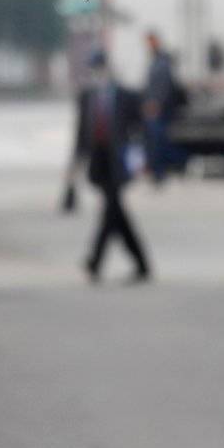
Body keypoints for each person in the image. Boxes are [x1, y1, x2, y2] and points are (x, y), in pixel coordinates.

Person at [71, 50, 151, 282]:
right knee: (116, 213)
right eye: (94, 69)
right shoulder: (87, 97)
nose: (98, 74)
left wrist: (140, 160)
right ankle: (141, 264)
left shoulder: (126, 96)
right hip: (99, 161)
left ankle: (95, 261)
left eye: (100, 68)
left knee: (111, 209)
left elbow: (139, 131)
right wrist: (75, 164)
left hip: (119, 161)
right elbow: (81, 133)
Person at [140, 31, 182, 185]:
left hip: (159, 109)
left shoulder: (162, 62)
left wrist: (156, 103)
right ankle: (157, 171)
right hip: (154, 108)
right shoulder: (155, 60)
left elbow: (164, 86)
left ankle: (161, 172)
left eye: (150, 42)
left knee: (159, 141)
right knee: (155, 141)